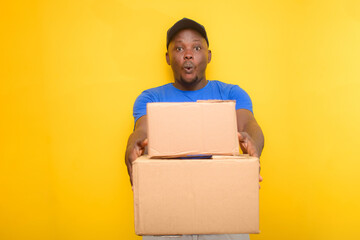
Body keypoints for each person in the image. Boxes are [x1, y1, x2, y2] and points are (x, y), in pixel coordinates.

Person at [125, 18, 264, 240]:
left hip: (223, 205)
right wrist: (133, 145)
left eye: (196, 48)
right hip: (168, 207)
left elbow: (249, 125)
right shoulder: (151, 98)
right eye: (179, 48)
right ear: (168, 58)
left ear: (208, 55)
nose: (188, 54)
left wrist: (253, 145)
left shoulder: (231, 94)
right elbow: (142, 132)